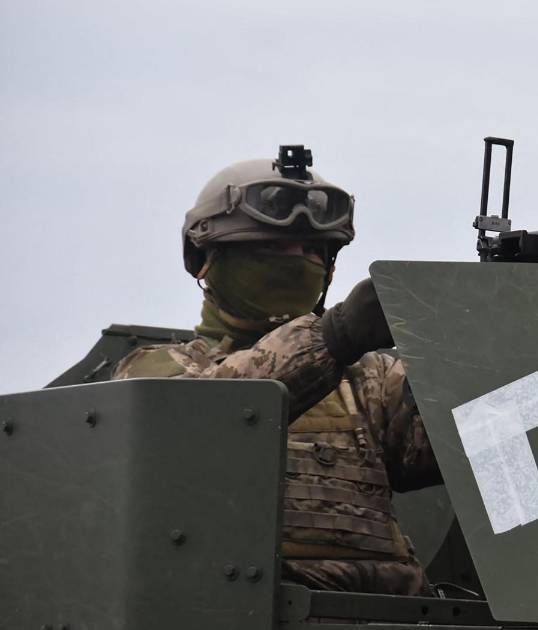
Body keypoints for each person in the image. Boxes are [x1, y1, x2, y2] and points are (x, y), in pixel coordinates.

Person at [112, 145, 441, 596]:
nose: (295, 259)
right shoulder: (154, 372)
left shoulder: (369, 381)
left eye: (311, 250)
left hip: (393, 613)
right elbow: (209, 418)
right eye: (270, 247)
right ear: (205, 260)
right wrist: (334, 335)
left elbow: (467, 439)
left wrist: (508, 340)